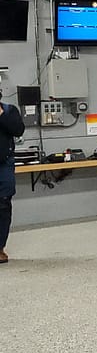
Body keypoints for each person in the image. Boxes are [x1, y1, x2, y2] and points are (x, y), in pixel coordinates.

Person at [0, 93, 25, 264]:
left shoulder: (9, 111)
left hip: (4, 165)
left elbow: (18, 130)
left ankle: (0, 248)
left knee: (3, 205)